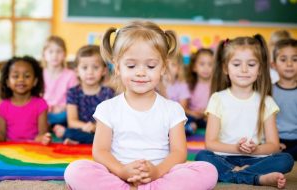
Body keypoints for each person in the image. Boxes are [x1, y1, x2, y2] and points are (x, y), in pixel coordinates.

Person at [64, 21, 218, 190]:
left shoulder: (173, 109)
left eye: (151, 66)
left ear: (163, 68)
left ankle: (147, 187)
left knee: (208, 170)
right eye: (131, 65)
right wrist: (122, 171)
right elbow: (100, 151)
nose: (141, 72)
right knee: (75, 170)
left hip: (161, 175)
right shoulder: (107, 108)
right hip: (118, 174)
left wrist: (157, 172)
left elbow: (179, 153)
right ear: (117, 68)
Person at [195, 35, 294, 188]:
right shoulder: (218, 98)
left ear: (260, 69)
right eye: (236, 64)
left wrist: (255, 149)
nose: (244, 70)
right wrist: (236, 148)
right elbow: (210, 143)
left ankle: (235, 175)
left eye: (251, 64)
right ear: (225, 68)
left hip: (256, 158)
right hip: (225, 158)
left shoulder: (266, 101)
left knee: (285, 159)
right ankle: (256, 178)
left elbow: (274, 145)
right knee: (202, 156)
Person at [53, 45, 114, 144]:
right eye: (85, 68)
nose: (90, 72)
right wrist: (85, 127)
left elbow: (109, 122)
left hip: (99, 131)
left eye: (95, 67)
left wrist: (94, 127)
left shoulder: (108, 93)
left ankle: (77, 141)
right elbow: (72, 122)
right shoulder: (73, 92)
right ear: (77, 71)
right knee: (68, 131)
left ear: (104, 70)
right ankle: (78, 139)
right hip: (79, 129)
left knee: (109, 138)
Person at [0, 56, 51, 145]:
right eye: (15, 76)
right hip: (10, 151)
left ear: (35, 81)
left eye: (27, 76)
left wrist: (43, 139)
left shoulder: (41, 104)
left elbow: (43, 135)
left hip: (34, 150)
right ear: (7, 82)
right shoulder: (4, 105)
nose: (21, 80)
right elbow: (1, 137)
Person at [42, 36, 78, 127]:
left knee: (67, 115)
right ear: (44, 55)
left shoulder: (71, 75)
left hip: (63, 112)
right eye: (51, 52)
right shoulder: (40, 74)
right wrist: (46, 108)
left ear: (64, 54)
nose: (55, 55)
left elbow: (74, 97)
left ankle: (54, 128)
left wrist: (64, 107)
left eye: (59, 51)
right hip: (43, 112)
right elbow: (37, 96)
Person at [272, 39, 297, 160]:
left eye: (295, 59)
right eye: (283, 59)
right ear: (274, 65)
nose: (289, 64)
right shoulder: (269, 91)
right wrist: (272, 142)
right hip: (275, 139)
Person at [184, 48, 214, 134]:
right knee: (186, 119)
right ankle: (189, 128)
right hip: (193, 116)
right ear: (194, 67)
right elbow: (184, 108)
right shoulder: (189, 85)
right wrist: (193, 113)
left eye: (210, 64)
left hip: (209, 118)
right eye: (202, 64)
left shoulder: (216, 86)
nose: (206, 68)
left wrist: (208, 114)